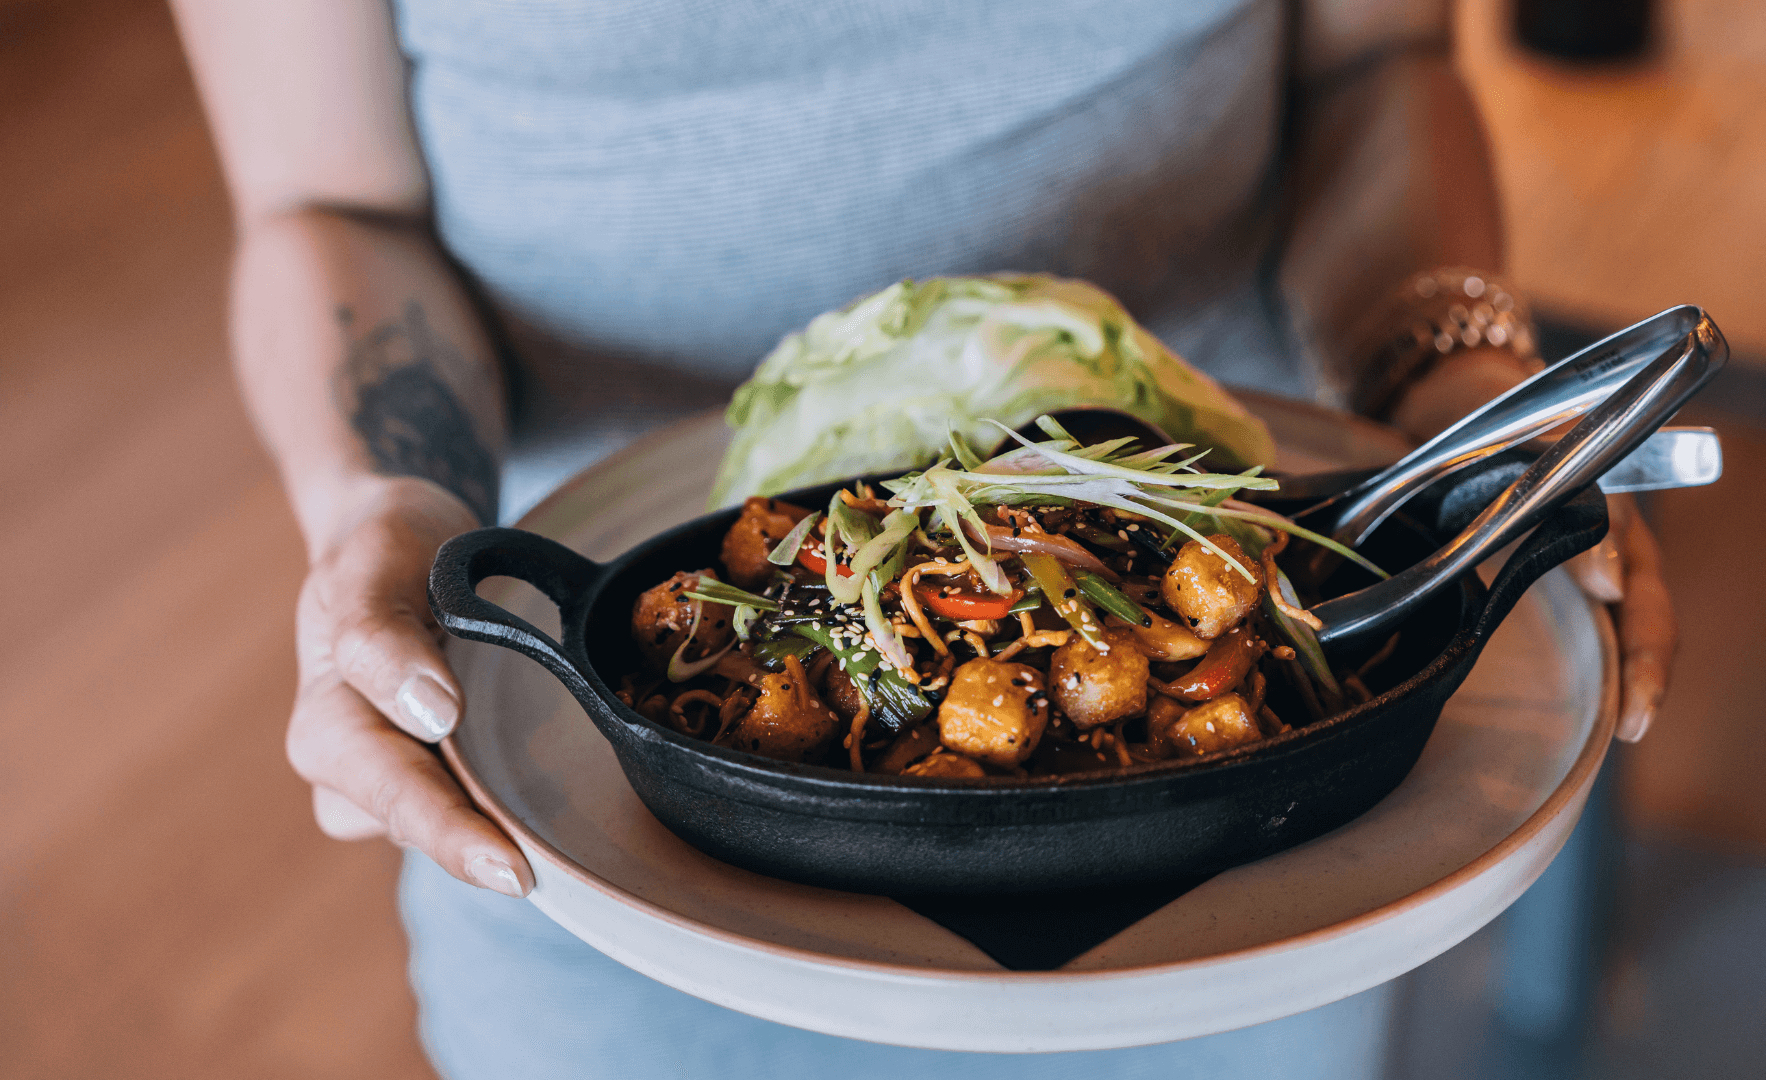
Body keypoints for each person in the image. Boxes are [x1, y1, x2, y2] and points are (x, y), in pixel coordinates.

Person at [172, 0, 1674, 1075]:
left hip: (1239, 826)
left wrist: (1460, 389)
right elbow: (326, 200)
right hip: (602, 777)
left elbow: (1378, 54)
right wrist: (389, 502)